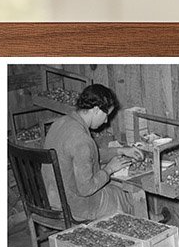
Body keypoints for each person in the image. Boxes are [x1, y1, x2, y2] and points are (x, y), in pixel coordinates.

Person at [42, 83, 143, 221]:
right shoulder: (82, 139)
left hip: (53, 198)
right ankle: (143, 233)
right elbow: (86, 189)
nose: (106, 120)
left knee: (113, 186)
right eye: (106, 115)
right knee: (129, 195)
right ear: (96, 109)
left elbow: (86, 155)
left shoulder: (60, 123)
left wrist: (120, 150)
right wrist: (109, 169)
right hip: (75, 207)